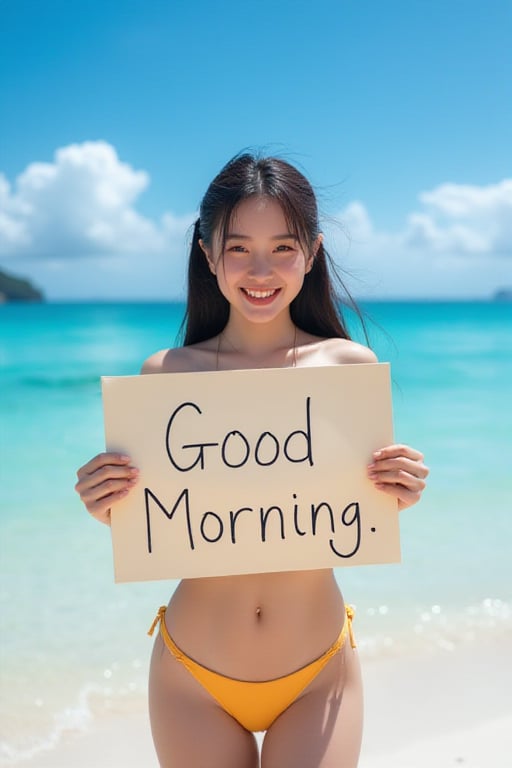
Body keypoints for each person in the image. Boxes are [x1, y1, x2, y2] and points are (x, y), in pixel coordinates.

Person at [75, 153, 428, 768]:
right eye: (238, 248)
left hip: (317, 670)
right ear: (207, 255)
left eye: (282, 247)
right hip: (194, 676)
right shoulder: (166, 376)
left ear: (312, 253)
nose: (259, 270)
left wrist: (399, 487)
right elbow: (156, 519)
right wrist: (106, 502)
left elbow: (359, 506)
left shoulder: (348, 370)